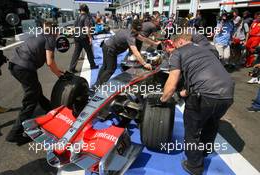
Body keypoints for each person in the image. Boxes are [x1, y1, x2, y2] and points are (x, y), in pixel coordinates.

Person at [160, 34, 234, 175]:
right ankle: (205, 151)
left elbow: (172, 82)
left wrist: (163, 99)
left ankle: (194, 166)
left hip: (204, 96)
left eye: (175, 45)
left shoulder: (178, 52)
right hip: (228, 94)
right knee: (211, 123)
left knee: (192, 131)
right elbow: (200, 80)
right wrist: (181, 94)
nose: (174, 48)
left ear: (180, 41)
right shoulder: (205, 50)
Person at [6, 21, 64, 143]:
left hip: (14, 64)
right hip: (24, 67)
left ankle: (49, 109)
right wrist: (60, 75)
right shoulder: (50, 39)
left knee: (35, 89)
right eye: (57, 30)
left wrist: (58, 70)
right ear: (54, 31)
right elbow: (50, 61)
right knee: (30, 100)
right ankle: (14, 133)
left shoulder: (39, 35)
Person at [93, 19, 152, 88]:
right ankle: (97, 86)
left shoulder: (131, 31)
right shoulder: (130, 36)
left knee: (105, 66)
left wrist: (154, 43)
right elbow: (135, 52)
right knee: (110, 69)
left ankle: (97, 83)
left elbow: (143, 39)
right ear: (140, 29)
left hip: (106, 45)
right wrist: (144, 63)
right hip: (110, 49)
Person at [69, 4, 98, 73]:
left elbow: (74, 26)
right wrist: (90, 37)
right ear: (87, 9)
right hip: (84, 37)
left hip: (77, 36)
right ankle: (92, 65)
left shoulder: (77, 17)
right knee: (89, 52)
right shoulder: (86, 17)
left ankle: (72, 67)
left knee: (76, 53)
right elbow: (86, 28)